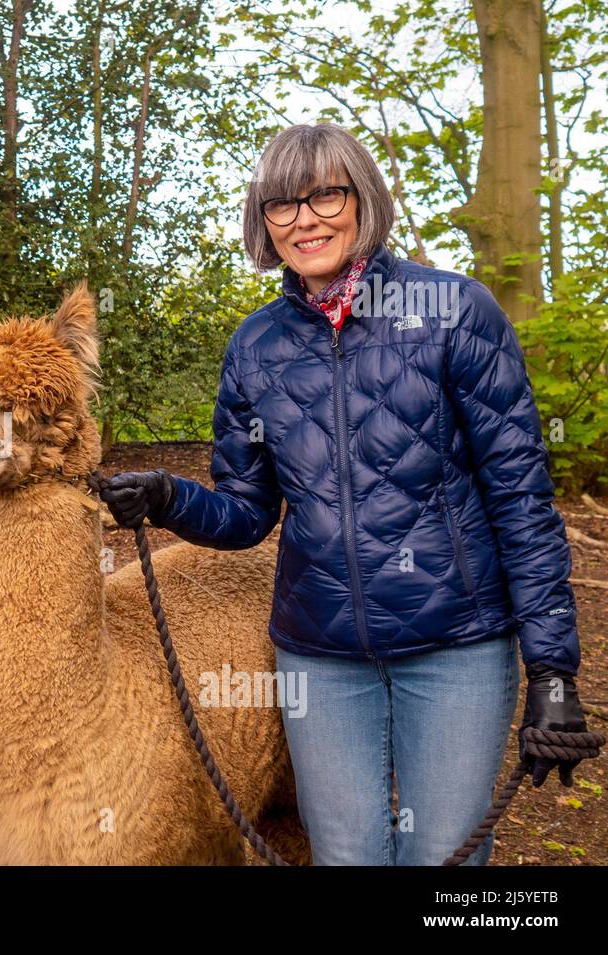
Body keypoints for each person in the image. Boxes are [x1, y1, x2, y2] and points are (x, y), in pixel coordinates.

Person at [101, 122, 587, 866]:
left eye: (325, 194)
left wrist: (552, 669)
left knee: (443, 858)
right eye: (282, 204)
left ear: (361, 198)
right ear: (262, 221)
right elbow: (247, 511)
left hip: (456, 640)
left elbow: (521, 499)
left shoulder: (456, 312)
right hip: (320, 653)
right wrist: (169, 497)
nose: (306, 219)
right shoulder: (256, 346)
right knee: (347, 856)